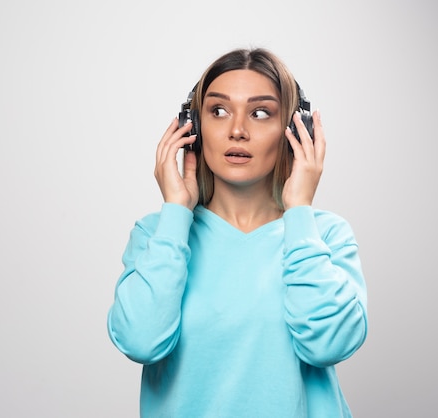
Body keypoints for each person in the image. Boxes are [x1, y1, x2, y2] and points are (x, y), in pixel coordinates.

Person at [107, 47, 368, 417]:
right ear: (193, 127)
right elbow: (140, 342)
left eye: (260, 113)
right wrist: (176, 213)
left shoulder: (324, 234)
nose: (237, 131)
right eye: (218, 111)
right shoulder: (158, 234)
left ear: (295, 131)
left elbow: (329, 344)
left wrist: (298, 211)